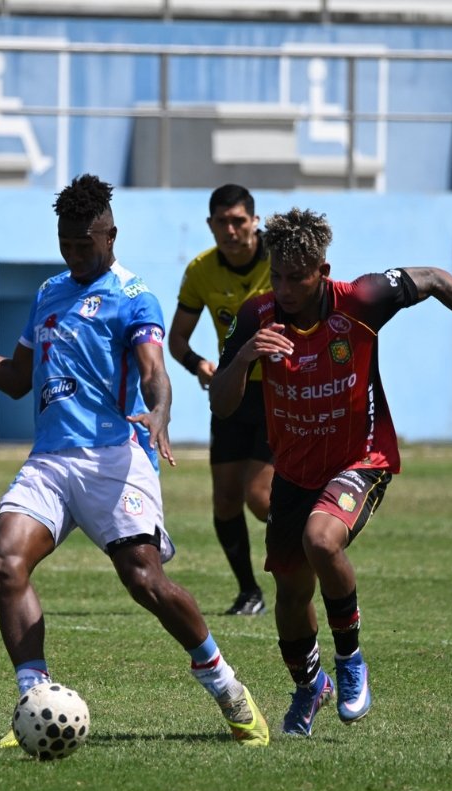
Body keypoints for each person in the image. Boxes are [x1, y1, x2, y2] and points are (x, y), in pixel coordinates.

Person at [0, 174, 270, 747]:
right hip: (50, 461)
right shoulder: (49, 293)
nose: (74, 255)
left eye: (85, 244)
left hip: (113, 457)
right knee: (4, 563)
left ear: (111, 234)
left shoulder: (133, 295)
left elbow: (154, 369)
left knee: (144, 579)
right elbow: (16, 380)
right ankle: (34, 698)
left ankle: (227, 688)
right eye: (66, 244)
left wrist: (160, 413)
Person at [209, 207, 452, 737]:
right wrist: (245, 355)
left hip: (360, 459)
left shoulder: (360, 301)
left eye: (298, 277)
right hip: (293, 472)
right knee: (291, 600)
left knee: (322, 539)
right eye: (278, 276)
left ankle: (350, 658)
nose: (286, 288)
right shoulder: (255, 317)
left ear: (323, 269)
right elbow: (222, 406)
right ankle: (310, 686)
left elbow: (435, 280)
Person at [168, 184, 274, 617]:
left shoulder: (280, 261)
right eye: (222, 222)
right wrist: (197, 364)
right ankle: (249, 592)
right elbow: (177, 339)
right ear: (211, 225)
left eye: (238, 221)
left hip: (279, 393)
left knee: (259, 496)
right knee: (226, 500)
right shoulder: (201, 272)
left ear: (255, 221)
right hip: (232, 392)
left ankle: (312, 550)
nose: (230, 230)